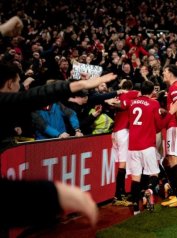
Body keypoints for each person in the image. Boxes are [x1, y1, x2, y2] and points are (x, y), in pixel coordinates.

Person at [0, 15, 117, 231]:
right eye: (17, 84)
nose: (21, 88)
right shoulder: (26, 105)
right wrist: (53, 195)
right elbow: (35, 98)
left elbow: (63, 109)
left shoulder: (55, 106)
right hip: (44, 145)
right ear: (8, 84)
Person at [118, 81, 177, 215]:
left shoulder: (133, 103)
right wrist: (170, 113)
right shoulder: (154, 103)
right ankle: (149, 190)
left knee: (135, 178)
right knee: (154, 174)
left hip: (133, 146)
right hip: (147, 145)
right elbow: (159, 125)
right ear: (152, 92)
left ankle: (135, 209)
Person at [160, 64, 177, 208]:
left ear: (170, 73)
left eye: (164, 72)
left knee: (173, 161)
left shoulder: (174, 87)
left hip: (175, 126)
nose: (163, 74)